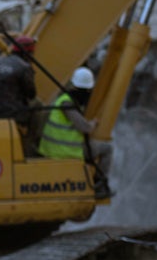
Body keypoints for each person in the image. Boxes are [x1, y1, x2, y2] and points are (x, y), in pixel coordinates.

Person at [37, 67, 112, 197]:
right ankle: (99, 186)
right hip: (66, 150)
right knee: (107, 149)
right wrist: (93, 123)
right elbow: (85, 127)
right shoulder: (68, 105)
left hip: (50, 149)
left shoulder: (63, 99)